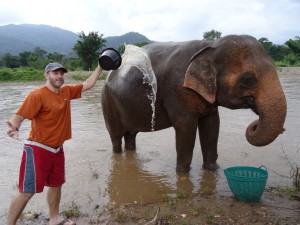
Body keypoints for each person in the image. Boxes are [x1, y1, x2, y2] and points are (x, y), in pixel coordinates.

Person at [6, 62, 103, 225]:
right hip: (37, 149)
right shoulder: (37, 95)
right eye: (55, 73)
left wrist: (100, 67)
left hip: (57, 150)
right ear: (46, 75)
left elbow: (88, 84)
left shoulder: (66, 91)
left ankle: (54, 218)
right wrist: (14, 128)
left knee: (56, 184)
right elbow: (19, 116)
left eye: (61, 73)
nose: (59, 76)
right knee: (27, 191)